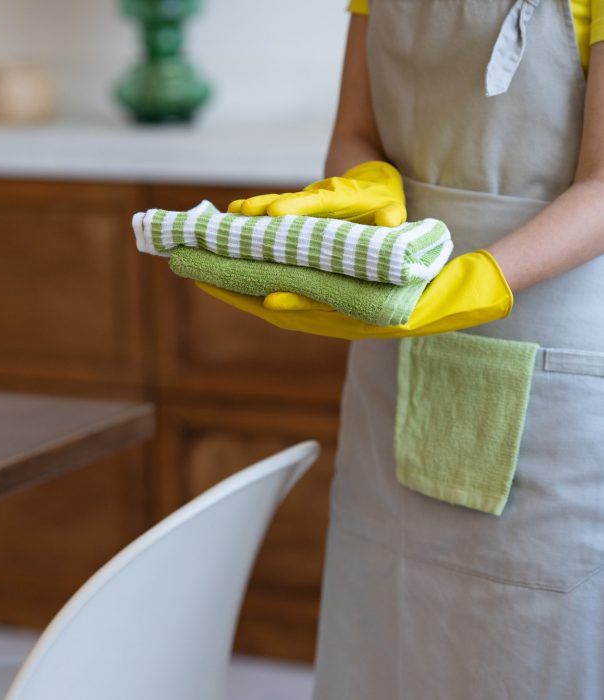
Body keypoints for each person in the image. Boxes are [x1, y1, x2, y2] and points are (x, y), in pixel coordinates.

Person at [199, 0, 604, 696]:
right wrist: (365, 190)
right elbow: (356, 132)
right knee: (380, 630)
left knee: (525, 642)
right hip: (394, 332)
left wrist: (480, 278)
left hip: (545, 360)